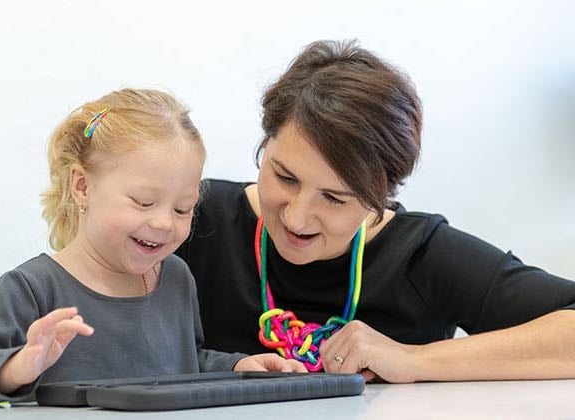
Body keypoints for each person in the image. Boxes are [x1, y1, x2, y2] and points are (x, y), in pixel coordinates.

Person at [175, 40, 575, 382]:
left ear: (379, 195)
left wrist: (415, 360)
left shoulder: (420, 255)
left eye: (334, 198)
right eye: (285, 178)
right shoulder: (191, 220)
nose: (296, 217)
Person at [0, 88, 305, 407]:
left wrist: (238, 367)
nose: (163, 222)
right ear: (82, 187)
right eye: (144, 202)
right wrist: (20, 365)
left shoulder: (176, 277)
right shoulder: (34, 285)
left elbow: (187, 364)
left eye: (182, 208)